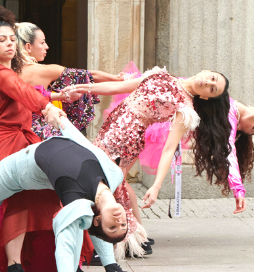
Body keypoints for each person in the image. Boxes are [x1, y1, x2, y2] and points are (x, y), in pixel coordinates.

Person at [0, 119, 130, 272]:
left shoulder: (75, 201)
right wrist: (61, 120)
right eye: (122, 225)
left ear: (99, 219)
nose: (119, 222)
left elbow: (66, 241)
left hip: (23, 166)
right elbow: (83, 144)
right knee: (92, 210)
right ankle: (111, 266)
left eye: (112, 227)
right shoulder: (114, 175)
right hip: (53, 158)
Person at [69, 67, 231, 255]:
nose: (208, 82)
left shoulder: (186, 109)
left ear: (205, 98)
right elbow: (117, 87)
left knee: (105, 184)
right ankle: (132, 236)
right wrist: (83, 88)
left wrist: (156, 186)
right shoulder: (161, 75)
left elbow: (169, 149)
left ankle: (111, 241)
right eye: (212, 78)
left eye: (212, 89)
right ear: (205, 71)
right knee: (109, 184)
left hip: (126, 140)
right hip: (111, 127)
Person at [0, 7, 65, 272]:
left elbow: (26, 92)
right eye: (1, 40)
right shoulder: (0, 74)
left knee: (47, 193)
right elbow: (23, 92)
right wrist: (47, 107)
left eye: (12, 39)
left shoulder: (9, 73)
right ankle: (4, 267)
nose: (9, 43)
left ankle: (70, 260)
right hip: (2, 145)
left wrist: (53, 102)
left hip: (22, 142)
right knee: (9, 199)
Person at [15, 22, 125, 140]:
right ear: (28, 47)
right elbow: (90, 75)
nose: (47, 46)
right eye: (42, 43)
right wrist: (119, 79)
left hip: (15, 134)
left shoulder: (7, 72)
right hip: (40, 134)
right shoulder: (43, 70)